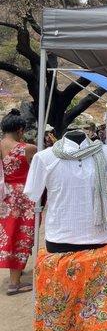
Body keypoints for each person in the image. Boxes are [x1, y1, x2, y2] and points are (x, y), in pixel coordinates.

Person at [0, 109, 37, 295]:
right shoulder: (27, 148)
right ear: (20, 130)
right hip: (23, 197)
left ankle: (16, 273)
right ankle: (14, 283)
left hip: (5, 196)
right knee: (21, 236)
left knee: (9, 233)